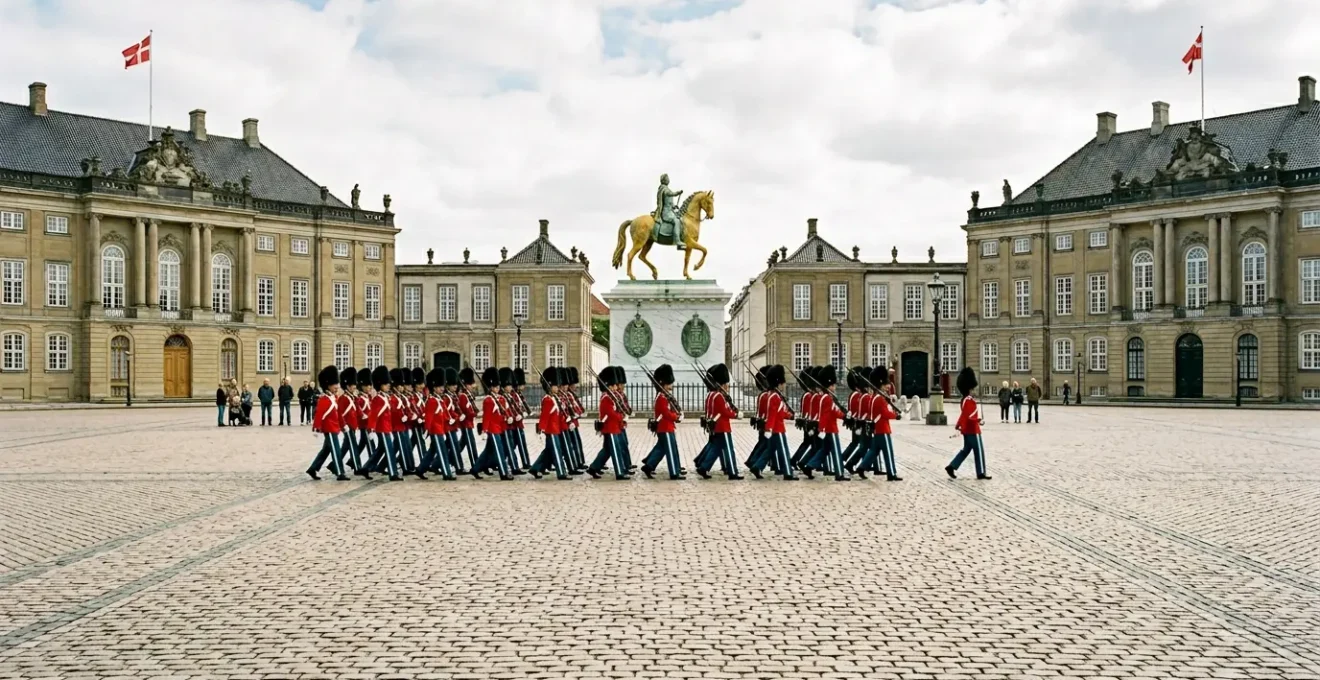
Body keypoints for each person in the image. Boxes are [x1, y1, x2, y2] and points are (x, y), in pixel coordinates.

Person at [802, 365, 849, 481]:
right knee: (836, 451)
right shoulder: (827, 398)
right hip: (830, 429)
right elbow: (827, 415)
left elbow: (833, 412)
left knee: (824, 450)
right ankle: (839, 473)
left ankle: (809, 465)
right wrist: (822, 429)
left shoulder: (825, 397)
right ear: (830, 385)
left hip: (827, 429)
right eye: (833, 385)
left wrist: (845, 416)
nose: (835, 387)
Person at [856, 366, 901, 481]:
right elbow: (885, 414)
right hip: (883, 429)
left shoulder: (874, 397)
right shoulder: (880, 399)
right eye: (886, 384)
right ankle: (891, 473)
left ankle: (862, 467)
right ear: (880, 384)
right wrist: (896, 416)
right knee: (888, 452)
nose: (888, 386)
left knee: (873, 451)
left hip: (876, 429)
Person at [641, 364, 684, 480]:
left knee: (662, 449)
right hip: (665, 427)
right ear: (664, 383)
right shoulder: (661, 397)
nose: (671, 385)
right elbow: (666, 413)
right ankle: (674, 473)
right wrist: (676, 417)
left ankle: (649, 466)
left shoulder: (664, 396)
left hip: (667, 426)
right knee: (669, 450)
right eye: (669, 383)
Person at [946, 367, 990, 480]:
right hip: (973, 430)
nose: (974, 390)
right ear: (969, 388)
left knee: (966, 450)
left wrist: (959, 426)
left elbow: (964, 415)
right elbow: (970, 416)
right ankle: (981, 473)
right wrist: (979, 420)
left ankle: (952, 466)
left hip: (967, 430)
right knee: (978, 451)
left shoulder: (965, 399)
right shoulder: (969, 400)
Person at [306, 365, 349, 481]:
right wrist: (316, 428)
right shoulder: (324, 399)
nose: (337, 387)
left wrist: (343, 425)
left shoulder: (334, 398)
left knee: (326, 450)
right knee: (336, 450)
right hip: (329, 428)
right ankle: (340, 472)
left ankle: (313, 468)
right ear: (328, 385)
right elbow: (319, 415)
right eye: (334, 385)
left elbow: (338, 414)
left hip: (334, 427)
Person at [587, 366, 630, 480]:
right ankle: (619, 472)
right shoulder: (606, 398)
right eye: (614, 385)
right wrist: (622, 416)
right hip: (610, 428)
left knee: (607, 451)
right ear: (609, 385)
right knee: (615, 450)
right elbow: (611, 414)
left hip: (614, 427)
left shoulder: (611, 396)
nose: (616, 387)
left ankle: (594, 468)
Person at [529, 367, 570, 480]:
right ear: (550, 386)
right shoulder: (547, 400)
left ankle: (535, 468)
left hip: (556, 428)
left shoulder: (555, 398)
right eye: (555, 386)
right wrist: (541, 429)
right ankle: (561, 473)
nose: (558, 388)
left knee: (548, 452)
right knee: (556, 451)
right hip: (551, 430)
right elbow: (545, 416)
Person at [475, 367, 515, 480]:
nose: (497, 389)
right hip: (492, 429)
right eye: (495, 387)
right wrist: (484, 430)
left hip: (499, 427)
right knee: (499, 450)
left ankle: (475, 468)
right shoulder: (488, 400)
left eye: (498, 387)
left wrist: (508, 418)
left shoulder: (501, 399)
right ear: (491, 387)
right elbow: (487, 417)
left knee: (488, 451)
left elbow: (503, 413)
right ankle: (503, 472)